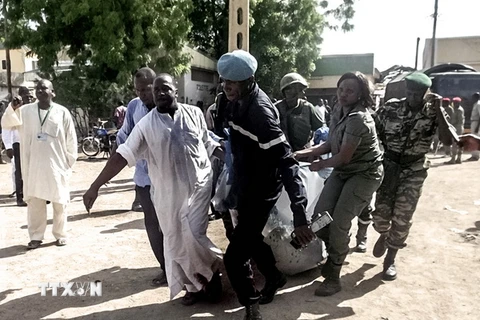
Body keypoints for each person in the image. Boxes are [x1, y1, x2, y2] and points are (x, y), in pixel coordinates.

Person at [83, 73, 224, 306]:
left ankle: (211, 276)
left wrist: (229, 158)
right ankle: (193, 286)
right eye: (156, 90)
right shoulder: (146, 125)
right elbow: (122, 155)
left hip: (199, 188)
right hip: (167, 195)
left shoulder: (194, 113)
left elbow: (207, 142)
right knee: (176, 241)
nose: (159, 93)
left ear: (175, 90)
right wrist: (95, 186)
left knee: (194, 235)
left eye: (165, 88)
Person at [217, 50, 315, 320]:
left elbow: (287, 162)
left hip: (262, 190)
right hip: (241, 181)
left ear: (250, 80)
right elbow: (226, 134)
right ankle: (274, 276)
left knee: (234, 258)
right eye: (224, 80)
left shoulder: (261, 113)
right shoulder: (227, 100)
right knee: (247, 238)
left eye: (234, 82)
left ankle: (251, 307)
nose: (227, 86)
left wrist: (300, 215)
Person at [294, 71, 383, 296]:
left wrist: (317, 165)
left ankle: (333, 276)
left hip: (364, 174)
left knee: (338, 224)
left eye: (350, 90)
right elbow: (329, 145)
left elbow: (343, 156)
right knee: (320, 219)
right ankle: (338, 246)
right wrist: (299, 154)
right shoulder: (338, 110)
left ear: (360, 94)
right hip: (343, 171)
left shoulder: (359, 119)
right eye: (341, 89)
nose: (343, 94)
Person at [371, 72, 452, 281]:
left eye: (418, 94)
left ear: (427, 93)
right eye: (410, 93)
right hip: (389, 165)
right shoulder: (391, 107)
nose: (414, 98)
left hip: (414, 169)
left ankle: (390, 258)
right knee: (380, 216)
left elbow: (448, 141)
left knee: (403, 216)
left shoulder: (434, 113)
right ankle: (383, 234)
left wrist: (440, 111)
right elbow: (374, 130)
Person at [2, 79, 77, 249]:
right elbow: (7, 123)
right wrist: (13, 108)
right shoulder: (25, 111)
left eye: (45, 88)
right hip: (33, 164)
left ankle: (61, 234)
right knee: (35, 201)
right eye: (38, 89)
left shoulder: (62, 112)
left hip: (56, 164)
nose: (41, 91)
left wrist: (68, 161)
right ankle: (36, 236)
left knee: (59, 201)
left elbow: (71, 138)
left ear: (53, 92)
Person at [115, 67, 167, 286]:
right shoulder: (134, 107)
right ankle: (166, 268)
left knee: (174, 225)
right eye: (138, 90)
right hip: (144, 179)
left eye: (146, 89)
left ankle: (182, 269)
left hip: (168, 179)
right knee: (152, 224)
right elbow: (124, 136)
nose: (142, 94)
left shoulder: (168, 107)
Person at [1, 86, 35, 206]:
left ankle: (38, 195)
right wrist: (8, 146)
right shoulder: (13, 110)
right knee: (19, 171)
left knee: (35, 170)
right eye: (26, 96)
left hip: (34, 144)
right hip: (19, 144)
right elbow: (6, 127)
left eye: (31, 96)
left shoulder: (36, 108)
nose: (29, 99)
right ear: (21, 97)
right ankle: (20, 197)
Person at [275, 73, 324, 152]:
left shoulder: (308, 107)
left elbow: (319, 128)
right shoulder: (276, 108)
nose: (303, 92)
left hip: (304, 152)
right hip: (282, 153)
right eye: (299, 89)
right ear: (286, 91)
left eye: (302, 89)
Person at [445, 97, 464, 164]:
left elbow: (459, 121)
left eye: (456, 102)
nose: (455, 104)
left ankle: (454, 159)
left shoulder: (459, 110)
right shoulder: (455, 109)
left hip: (457, 128)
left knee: (455, 144)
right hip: (457, 127)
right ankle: (458, 159)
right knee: (458, 144)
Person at [467, 92, 480, 161]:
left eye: (473, 97)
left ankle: (475, 156)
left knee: (475, 139)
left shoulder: (478, 104)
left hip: (476, 123)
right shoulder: (475, 104)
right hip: (474, 122)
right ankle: (474, 155)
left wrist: (477, 127)